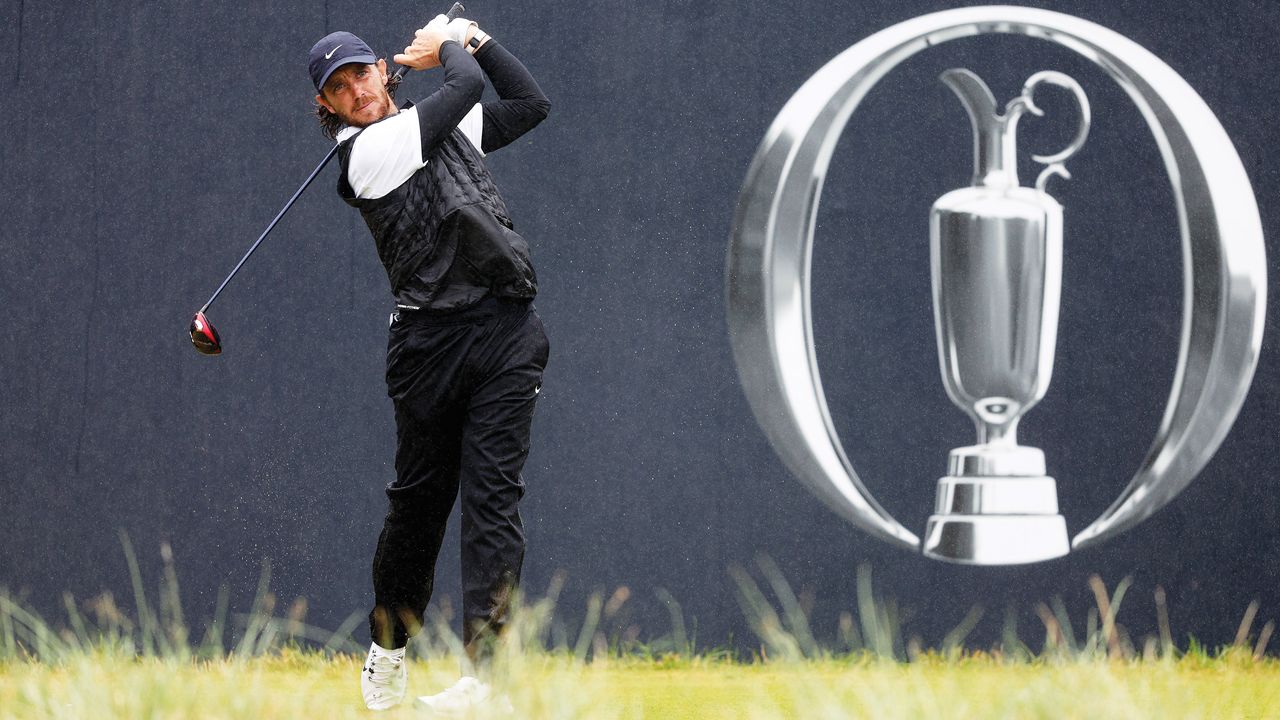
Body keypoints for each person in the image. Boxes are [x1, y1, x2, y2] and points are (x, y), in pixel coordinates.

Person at [307, 13, 551, 713]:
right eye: (337, 87)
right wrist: (447, 41)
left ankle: (490, 678)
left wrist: (476, 41)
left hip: (506, 330)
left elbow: (529, 105)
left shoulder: (436, 128)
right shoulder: (367, 154)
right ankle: (388, 653)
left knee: (493, 500)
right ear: (326, 107)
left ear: (382, 73)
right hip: (428, 349)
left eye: (360, 72)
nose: (354, 89)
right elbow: (465, 87)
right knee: (419, 508)